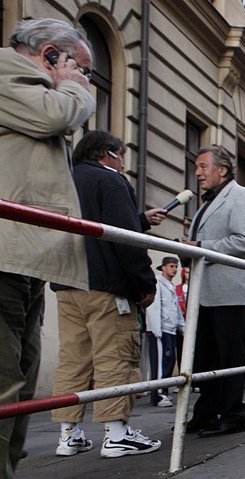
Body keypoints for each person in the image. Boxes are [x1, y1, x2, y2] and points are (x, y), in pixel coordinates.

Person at [0, 17, 94, 479]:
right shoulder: (8, 75)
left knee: (19, 376)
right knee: (3, 379)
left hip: (23, 257)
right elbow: (52, 118)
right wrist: (74, 89)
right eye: (81, 67)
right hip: (4, 253)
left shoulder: (30, 86)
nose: (84, 79)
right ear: (51, 54)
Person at [49, 130, 162, 458]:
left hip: (67, 282)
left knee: (73, 357)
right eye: (121, 155)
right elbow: (124, 237)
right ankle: (116, 433)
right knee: (115, 355)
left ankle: (68, 434)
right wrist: (145, 282)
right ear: (108, 154)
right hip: (107, 285)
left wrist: (141, 220)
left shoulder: (67, 178)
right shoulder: (110, 180)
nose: (123, 162)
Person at [182, 146, 245, 437]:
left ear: (222, 170)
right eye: (196, 167)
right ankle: (206, 413)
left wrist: (200, 249)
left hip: (228, 294)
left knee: (229, 359)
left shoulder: (241, 196)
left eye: (203, 166)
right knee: (204, 359)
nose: (197, 172)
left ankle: (232, 415)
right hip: (203, 294)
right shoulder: (205, 204)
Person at [145, 256, 185, 407]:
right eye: (171, 266)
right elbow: (154, 307)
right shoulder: (158, 283)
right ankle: (158, 394)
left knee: (168, 361)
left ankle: (163, 392)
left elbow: (175, 310)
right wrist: (156, 330)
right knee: (160, 363)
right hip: (160, 330)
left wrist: (183, 327)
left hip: (170, 329)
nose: (174, 269)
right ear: (163, 267)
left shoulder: (170, 286)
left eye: (175, 266)